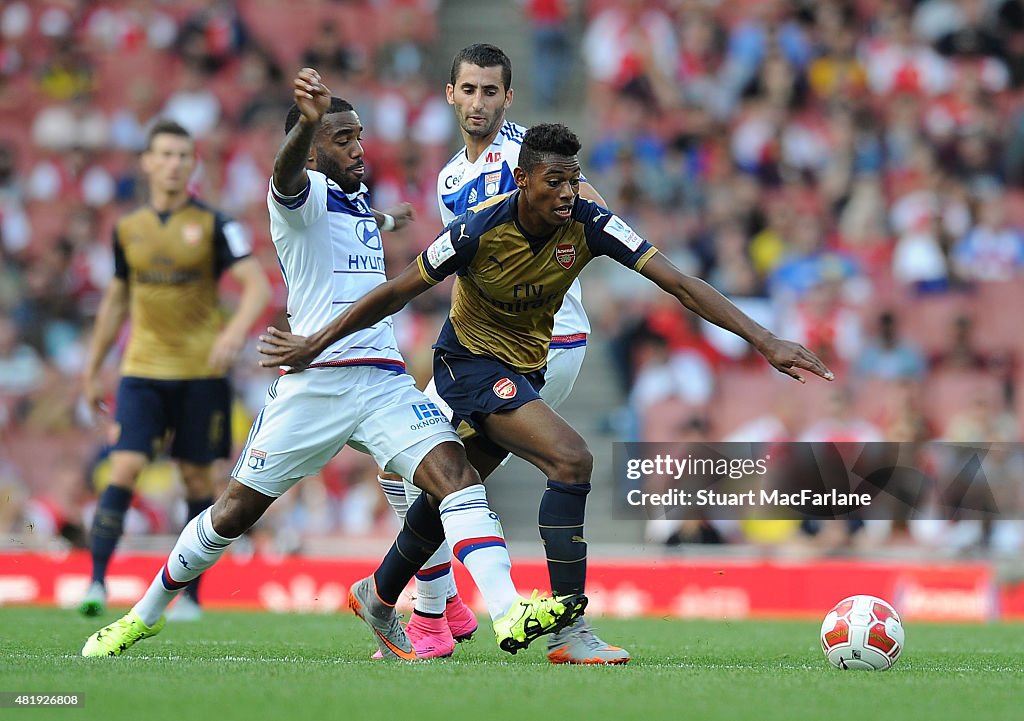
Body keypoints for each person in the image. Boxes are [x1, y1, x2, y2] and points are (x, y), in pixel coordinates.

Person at [257, 122, 835, 661]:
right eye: (553, 180)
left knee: (452, 494)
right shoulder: (476, 228)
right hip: (466, 366)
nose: (566, 192)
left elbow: (680, 283)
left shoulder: (590, 223)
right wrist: (314, 344)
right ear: (522, 179)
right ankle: (569, 630)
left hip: (523, 370)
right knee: (571, 458)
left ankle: (379, 593)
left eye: (573, 179)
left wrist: (765, 339)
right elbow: (394, 293)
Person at [81, 68, 586, 660]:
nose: (358, 149)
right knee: (232, 514)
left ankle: (505, 611)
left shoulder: (353, 200)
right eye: (342, 139)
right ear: (316, 145)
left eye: (359, 137)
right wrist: (309, 124)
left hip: (383, 382)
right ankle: (142, 616)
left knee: (457, 479)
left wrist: (391, 219)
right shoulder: (298, 196)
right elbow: (287, 175)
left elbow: (355, 227)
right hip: (315, 385)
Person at [373, 43, 622, 663]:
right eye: (469, 90)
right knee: (426, 473)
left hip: (547, 346)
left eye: (491, 91)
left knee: (436, 471)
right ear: (449, 94)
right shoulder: (450, 177)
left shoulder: (525, 156)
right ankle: (436, 604)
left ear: (507, 98)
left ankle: (432, 612)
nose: (478, 102)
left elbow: (591, 211)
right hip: (483, 350)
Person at [78, 119, 272, 621]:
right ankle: (96, 581)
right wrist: (93, 366)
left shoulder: (214, 224)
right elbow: (116, 301)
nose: (173, 163)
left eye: (183, 156)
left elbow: (256, 285)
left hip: (201, 374)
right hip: (142, 370)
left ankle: (191, 596)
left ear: (192, 165)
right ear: (146, 162)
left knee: (195, 480)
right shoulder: (127, 230)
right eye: (164, 154)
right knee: (124, 466)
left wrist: (234, 332)